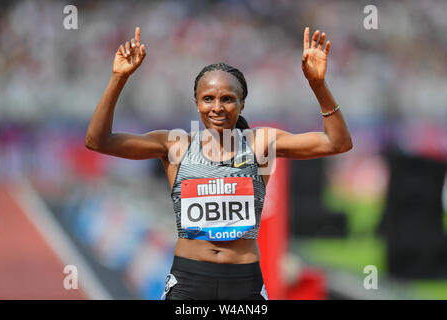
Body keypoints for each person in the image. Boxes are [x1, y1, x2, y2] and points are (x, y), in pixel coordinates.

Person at [85, 26, 352, 300]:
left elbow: (337, 143)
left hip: (243, 282)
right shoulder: (176, 145)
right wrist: (118, 77)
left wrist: (318, 84)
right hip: (189, 281)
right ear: (196, 102)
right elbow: (98, 140)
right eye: (208, 99)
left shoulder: (261, 144)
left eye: (227, 99)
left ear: (242, 104)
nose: (217, 107)